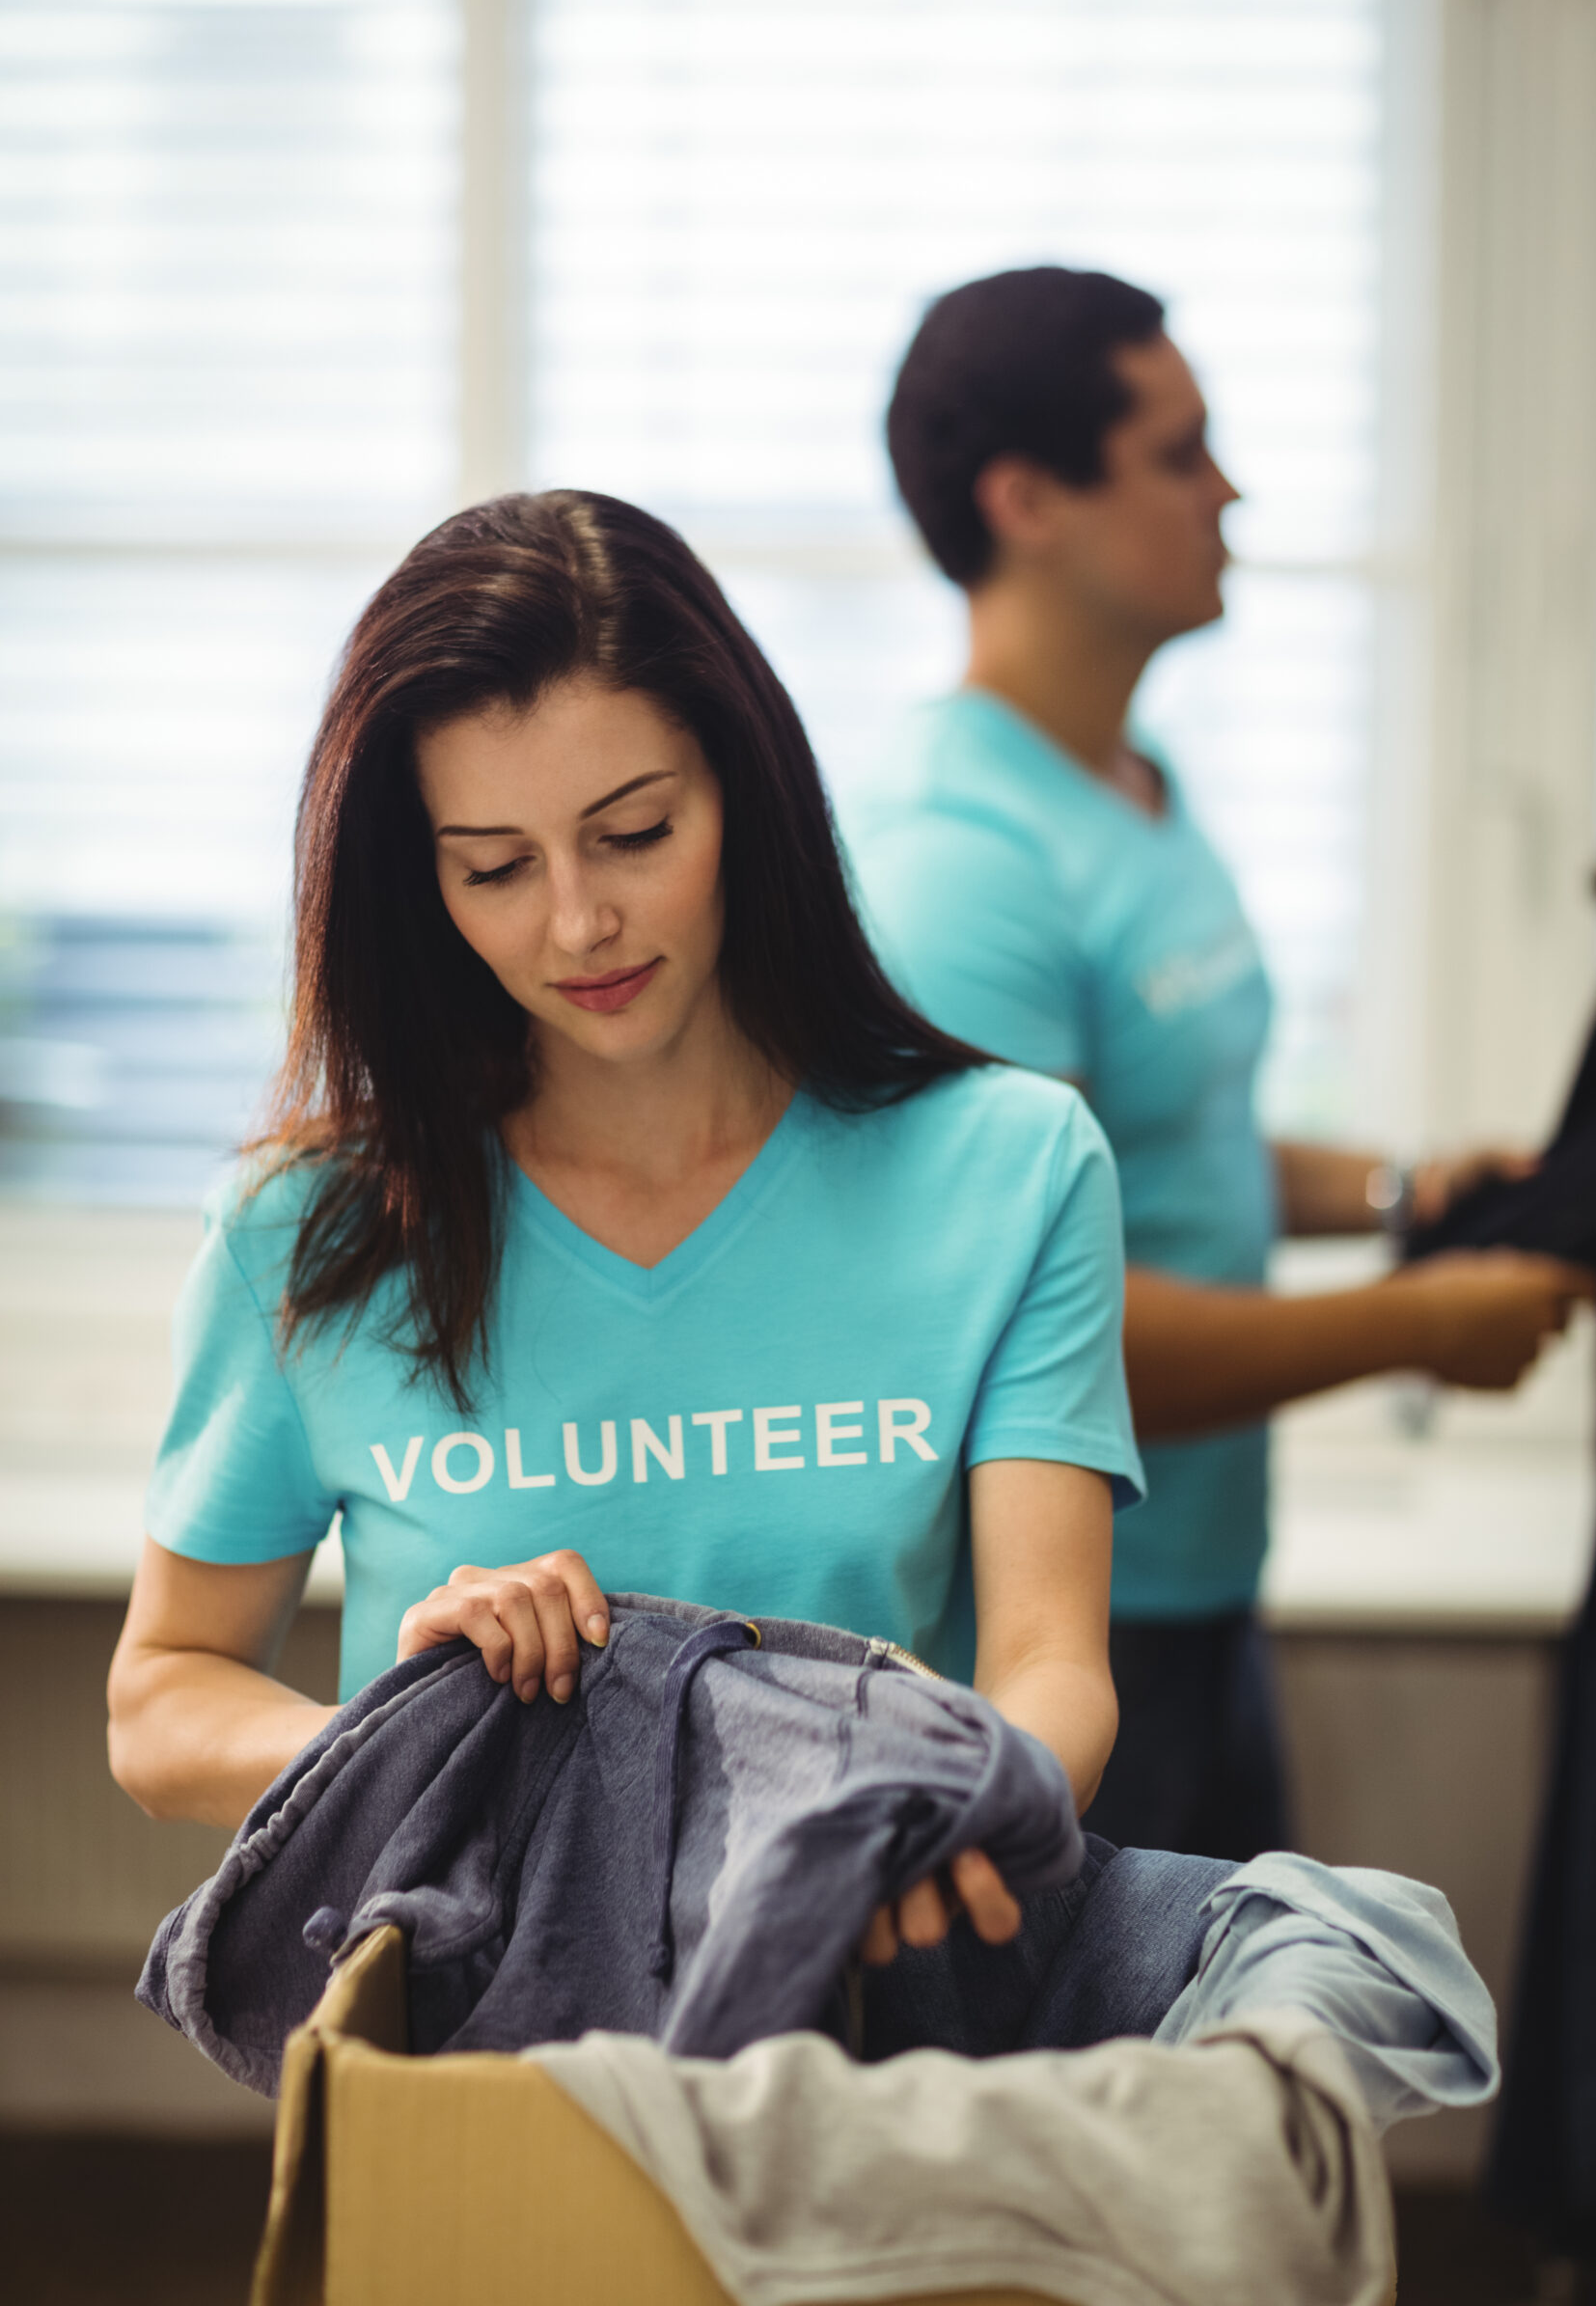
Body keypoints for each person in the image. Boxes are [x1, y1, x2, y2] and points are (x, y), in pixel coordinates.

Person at [106, 487, 1147, 1964]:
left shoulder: (1010, 1168)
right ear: (424, 882)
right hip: (457, 2046)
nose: (579, 923)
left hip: (859, 2003)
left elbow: (1051, 1659)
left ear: (744, 795)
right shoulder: (304, 1231)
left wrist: (980, 1801)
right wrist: (416, 1745)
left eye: (635, 832)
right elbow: (161, 1697)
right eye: (497, 867)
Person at [848, 265, 1595, 1862]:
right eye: (1182, 455)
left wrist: (1397, 1192)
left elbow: (1162, 1147)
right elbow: (1031, 1317)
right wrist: (1409, 1328)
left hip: (1200, 1590)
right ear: (1029, 500)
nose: (1230, 492)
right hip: (1044, 1652)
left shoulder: (1135, 786)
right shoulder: (956, 862)